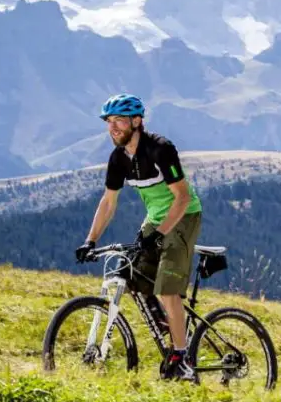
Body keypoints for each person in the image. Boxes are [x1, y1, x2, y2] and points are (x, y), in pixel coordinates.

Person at [75, 94, 203, 381]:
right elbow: (109, 202)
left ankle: (183, 359)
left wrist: (159, 234)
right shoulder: (118, 158)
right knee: (130, 272)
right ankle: (170, 323)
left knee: (167, 288)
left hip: (184, 216)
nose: (113, 128)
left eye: (119, 120)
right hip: (156, 219)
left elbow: (181, 198)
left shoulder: (160, 149)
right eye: (109, 122)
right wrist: (90, 240)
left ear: (137, 121)